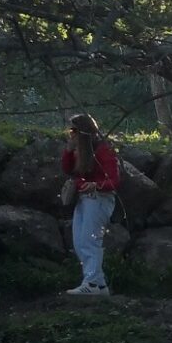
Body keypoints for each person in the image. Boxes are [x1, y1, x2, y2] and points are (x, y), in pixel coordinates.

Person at [61, 113, 118, 297]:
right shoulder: (80, 150)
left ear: (82, 132)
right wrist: (69, 151)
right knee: (79, 242)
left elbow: (114, 180)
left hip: (99, 199)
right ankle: (99, 285)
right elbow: (67, 169)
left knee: (89, 240)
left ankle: (92, 282)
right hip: (84, 199)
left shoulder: (103, 150)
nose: (71, 134)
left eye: (73, 131)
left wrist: (97, 185)